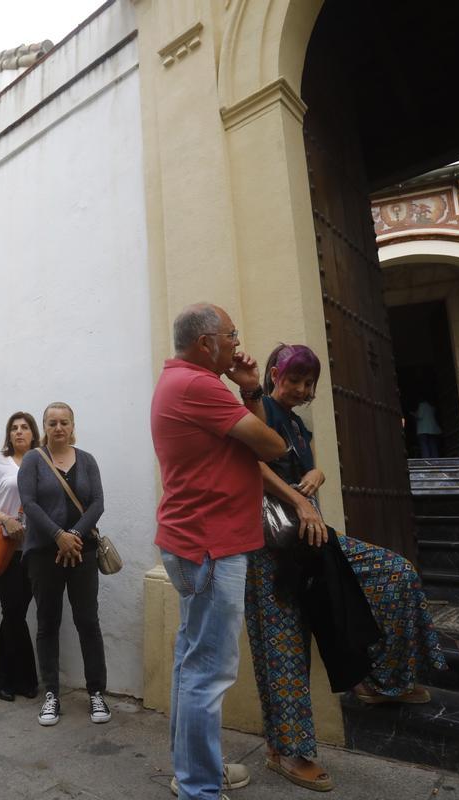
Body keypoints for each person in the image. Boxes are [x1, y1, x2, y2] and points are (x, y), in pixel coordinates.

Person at [247, 343, 447, 792]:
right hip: (270, 546)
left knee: (395, 573)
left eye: (307, 382)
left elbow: (303, 469)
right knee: (283, 645)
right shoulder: (259, 410)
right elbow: (252, 464)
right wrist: (300, 497)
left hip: (314, 541)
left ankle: (383, 680)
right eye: (292, 379)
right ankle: (284, 750)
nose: (300, 389)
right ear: (274, 374)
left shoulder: (298, 424)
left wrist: (317, 475)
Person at [150, 303, 288, 800]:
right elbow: (273, 445)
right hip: (210, 546)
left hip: (197, 543)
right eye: (231, 334)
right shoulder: (199, 386)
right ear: (206, 342)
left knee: (193, 663)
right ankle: (199, 788)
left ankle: (194, 768)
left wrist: (249, 389)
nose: (236, 343)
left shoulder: (189, 382)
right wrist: (251, 389)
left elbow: (251, 445)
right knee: (207, 671)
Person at [18, 403, 108, 725]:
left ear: (72, 426)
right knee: (47, 623)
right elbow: (28, 502)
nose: (58, 428)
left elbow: (97, 502)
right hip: (44, 553)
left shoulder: (87, 460)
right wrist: (58, 536)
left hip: (82, 551)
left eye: (64, 422)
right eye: (52, 422)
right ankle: (51, 695)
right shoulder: (33, 460)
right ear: (45, 426)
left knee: (88, 622)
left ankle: (97, 693)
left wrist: (73, 536)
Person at [0, 413, 41, 702]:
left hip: (35, 548)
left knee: (16, 613)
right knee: (13, 612)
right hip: (5, 548)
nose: (19, 432)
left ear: (33, 432)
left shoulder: (42, 460)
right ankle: (10, 680)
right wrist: (6, 520)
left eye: (24, 427)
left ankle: (18, 679)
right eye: (13, 428)